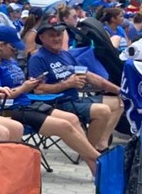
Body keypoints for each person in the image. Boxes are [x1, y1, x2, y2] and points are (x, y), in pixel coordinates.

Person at [0, 26, 102, 173]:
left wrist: (32, 83)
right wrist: (24, 88)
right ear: (0, 46)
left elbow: (19, 85)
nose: (16, 51)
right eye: (13, 48)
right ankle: (99, 159)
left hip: (25, 103)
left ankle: (94, 166)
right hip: (6, 110)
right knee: (64, 126)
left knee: (72, 119)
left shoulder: (9, 61)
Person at [28, 18, 123, 150]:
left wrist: (119, 90)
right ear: (42, 38)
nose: (57, 38)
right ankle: (90, 151)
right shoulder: (38, 58)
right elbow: (38, 90)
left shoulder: (65, 55)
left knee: (120, 102)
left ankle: (99, 144)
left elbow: (90, 76)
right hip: (57, 104)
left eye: (59, 34)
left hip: (75, 100)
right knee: (103, 111)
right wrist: (67, 84)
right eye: (52, 35)